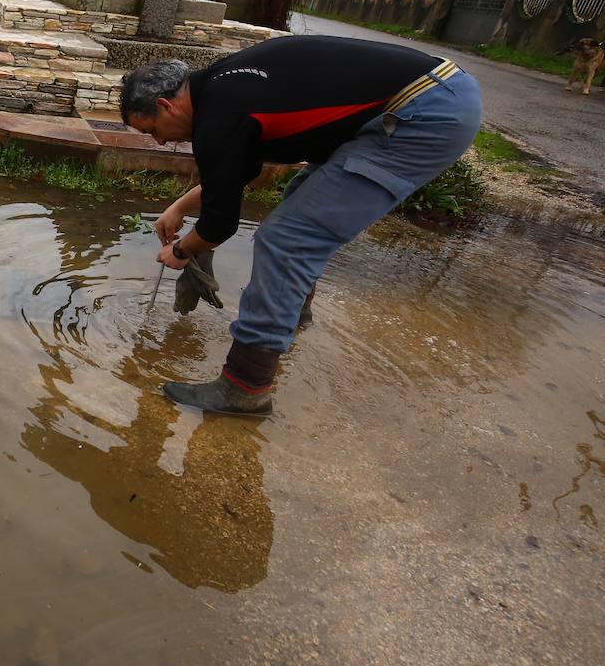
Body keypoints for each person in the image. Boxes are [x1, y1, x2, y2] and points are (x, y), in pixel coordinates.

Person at [121, 36, 482, 415]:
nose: (159, 141)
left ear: (165, 105)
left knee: (288, 238)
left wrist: (181, 252)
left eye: (152, 130)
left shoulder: (218, 115)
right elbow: (235, 174)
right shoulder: (220, 89)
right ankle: (292, 315)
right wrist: (179, 207)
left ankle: (244, 387)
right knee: (303, 198)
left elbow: (220, 223)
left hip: (423, 111)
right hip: (433, 91)